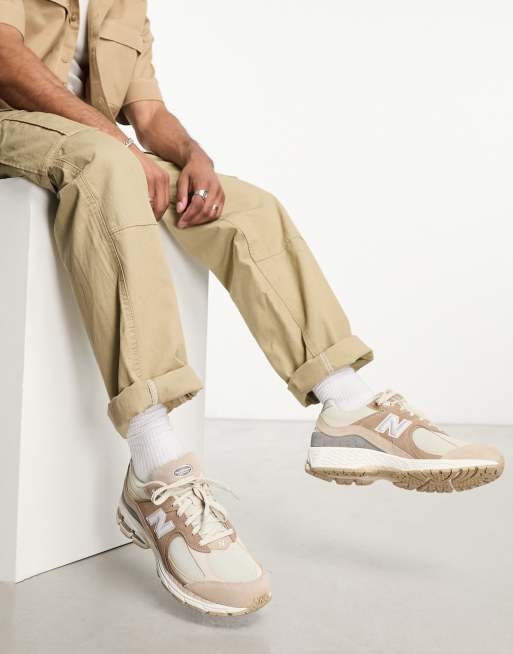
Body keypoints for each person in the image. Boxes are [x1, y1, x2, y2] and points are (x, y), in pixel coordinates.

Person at [0, 0, 504, 617]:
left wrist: (193, 155)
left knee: (247, 207)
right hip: (16, 129)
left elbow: (147, 112)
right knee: (107, 163)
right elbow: (4, 59)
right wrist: (116, 144)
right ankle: (155, 468)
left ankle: (347, 404)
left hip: (98, 150)